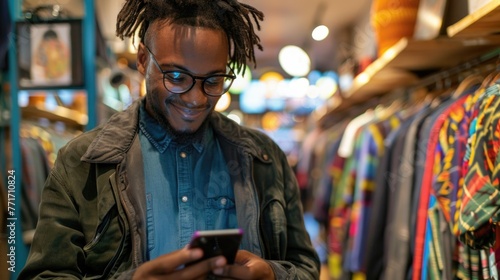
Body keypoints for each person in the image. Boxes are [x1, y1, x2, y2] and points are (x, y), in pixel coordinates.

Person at [19, 0, 321, 279]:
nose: (195, 98)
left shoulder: (264, 159)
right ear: (141, 60)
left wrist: (272, 274)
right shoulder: (82, 162)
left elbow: (306, 268)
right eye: (176, 77)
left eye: (213, 81)